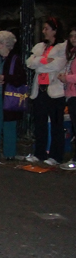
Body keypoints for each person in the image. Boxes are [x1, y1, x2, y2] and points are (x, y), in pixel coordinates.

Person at [26, 16, 67, 165]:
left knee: (56, 124)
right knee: (40, 123)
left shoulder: (62, 47)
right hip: (40, 90)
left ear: (55, 31)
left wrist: (39, 63)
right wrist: (42, 61)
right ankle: (39, 153)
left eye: (47, 29)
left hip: (55, 91)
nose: (44, 31)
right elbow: (30, 62)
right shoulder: (40, 47)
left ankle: (56, 156)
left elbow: (56, 66)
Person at [0, 31, 25, 161]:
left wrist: (5, 78)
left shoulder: (15, 60)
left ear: (3, 44)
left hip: (9, 97)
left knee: (9, 125)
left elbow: (21, 78)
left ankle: (9, 152)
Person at [57, 27, 76, 166]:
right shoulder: (72, 53)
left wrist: (67, 78)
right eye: (71, 36)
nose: (73, 39)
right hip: (71, 94)